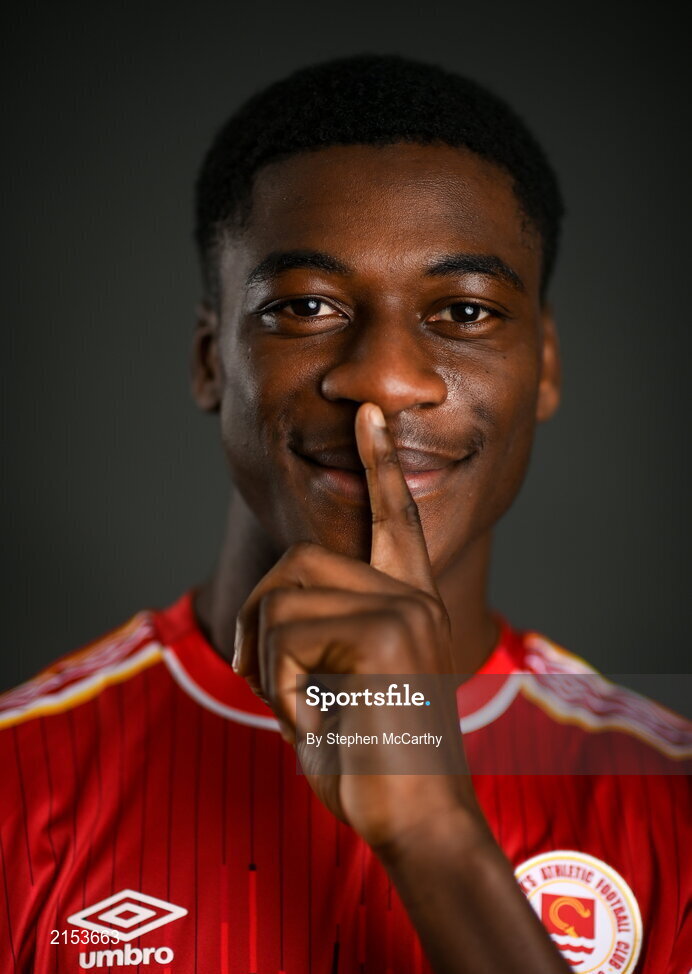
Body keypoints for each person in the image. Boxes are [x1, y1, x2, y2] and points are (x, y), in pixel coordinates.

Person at [1, 55, 690, 974]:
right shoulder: (19, 785)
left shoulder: (671, 802)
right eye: (305, 305)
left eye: (464, 311)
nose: (383, 378)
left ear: (547, 365)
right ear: (212, 361)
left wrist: (438, 836)